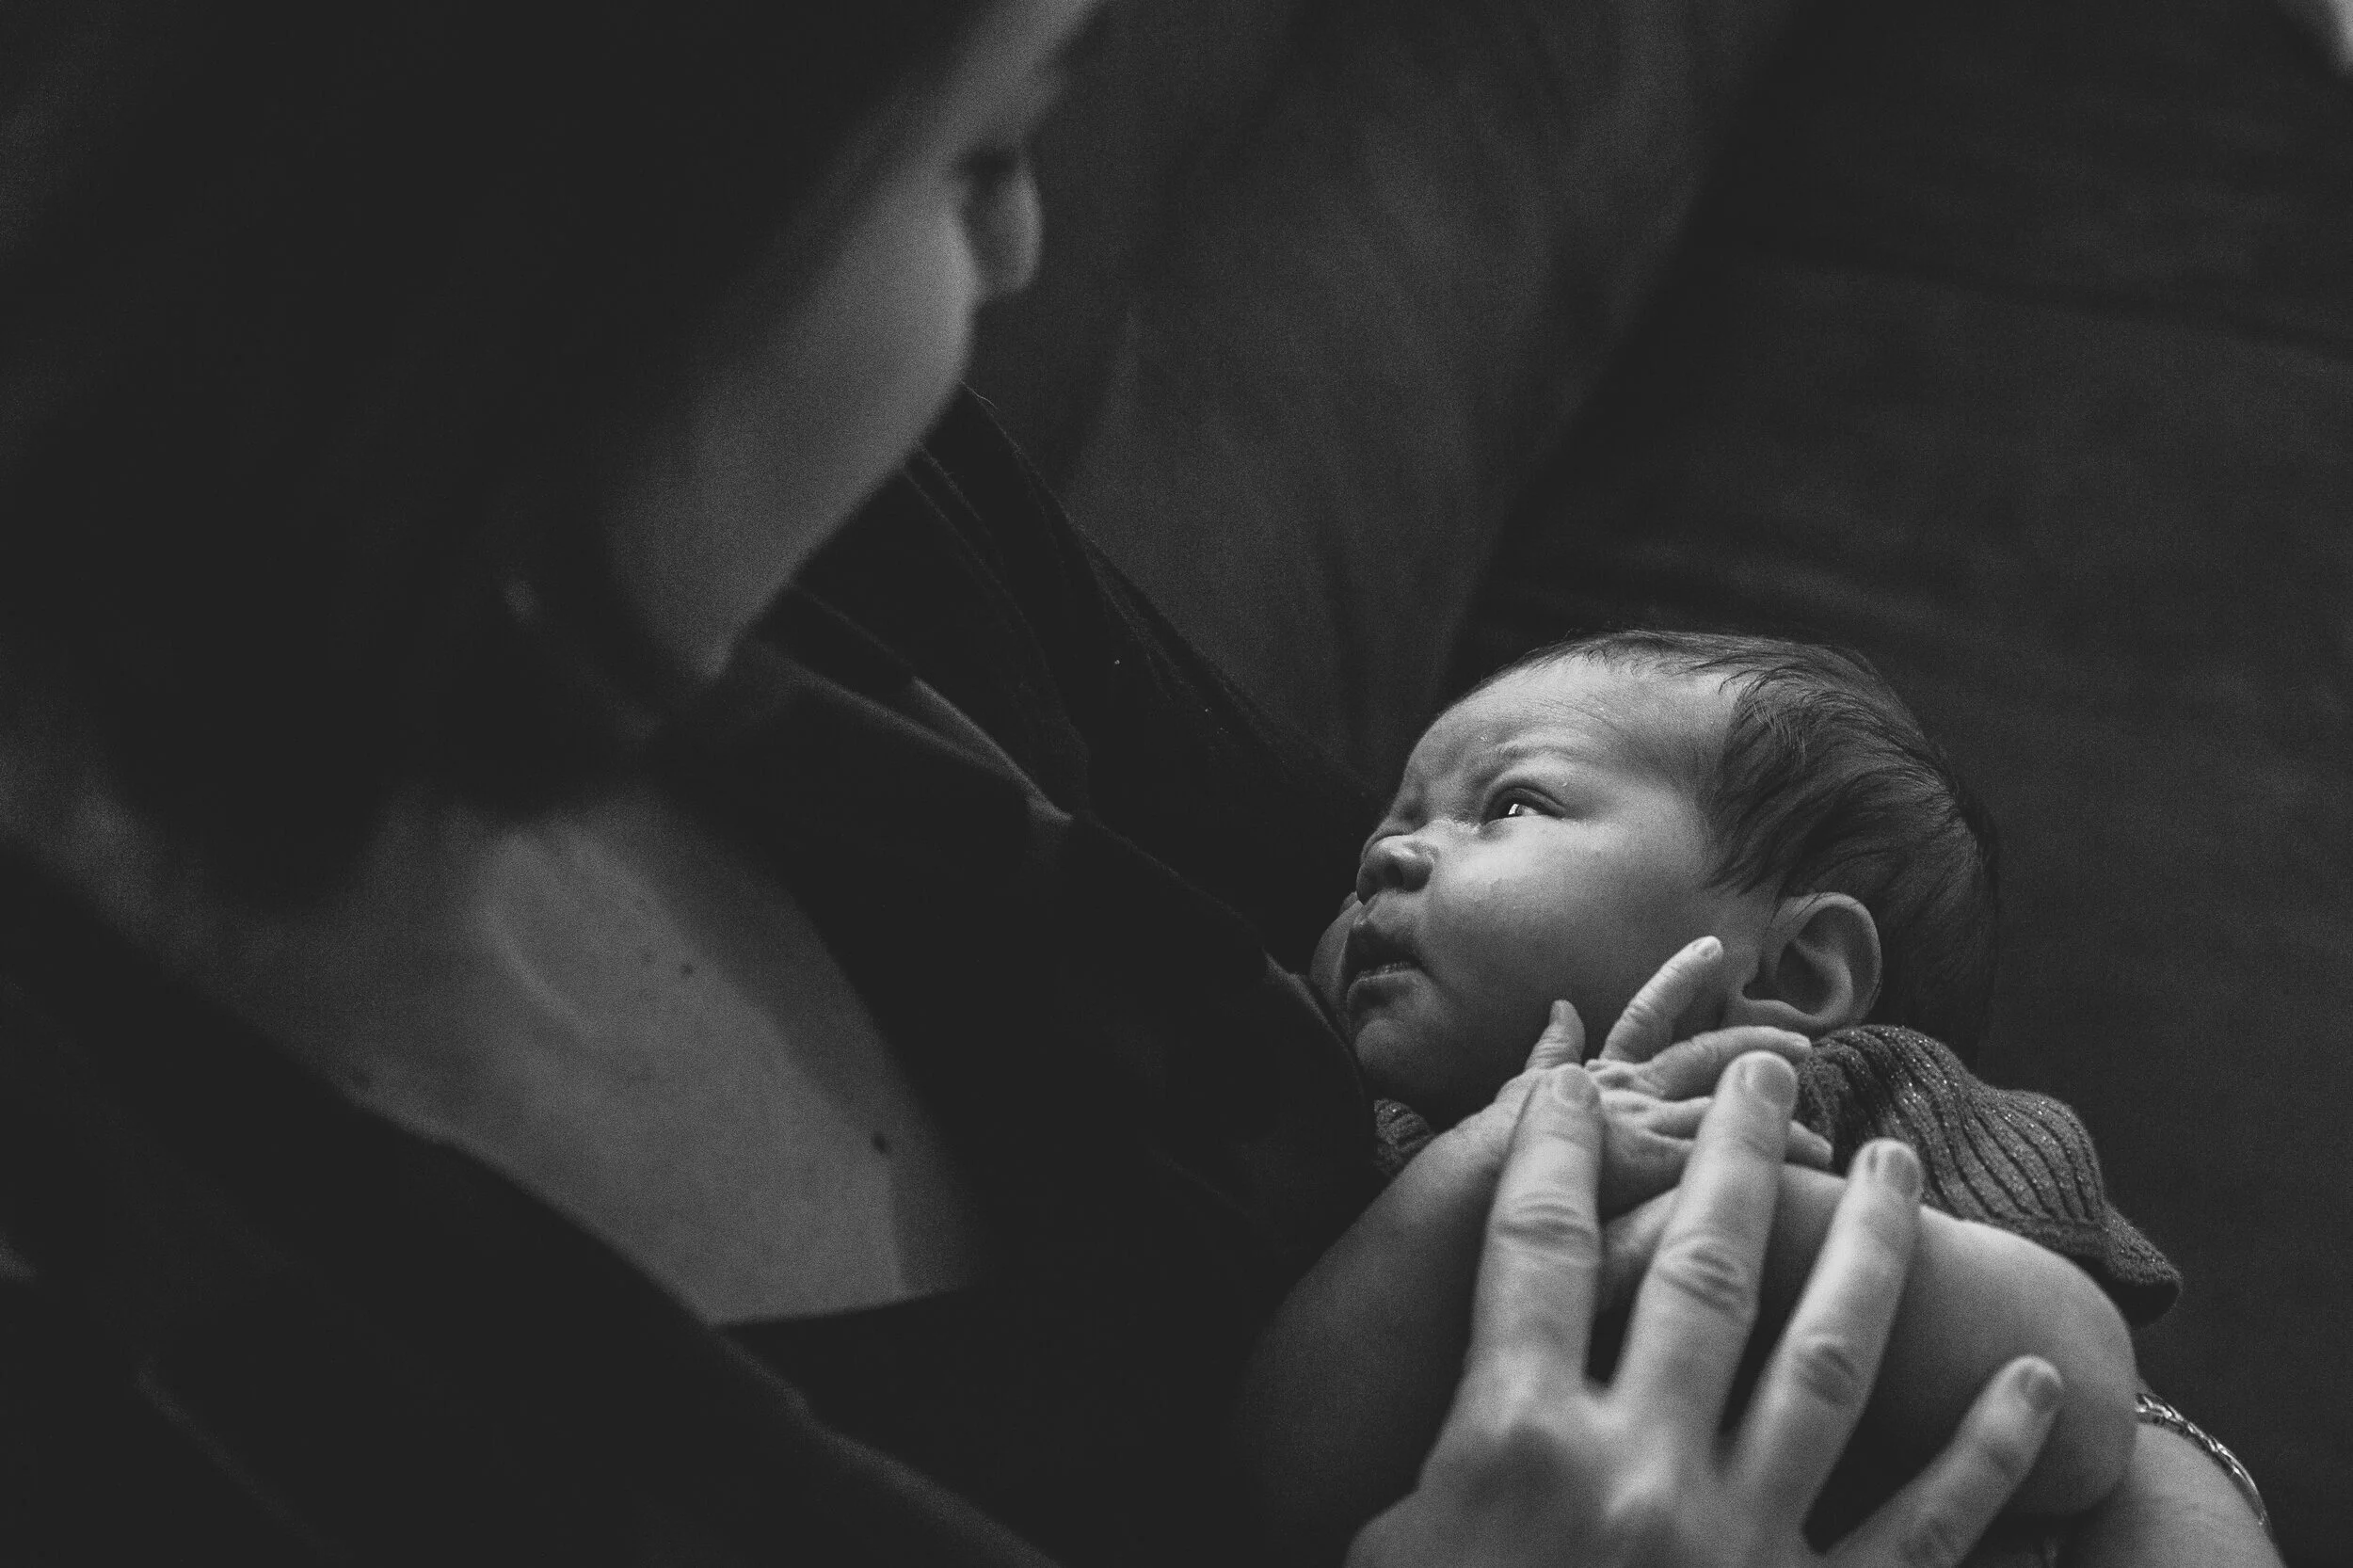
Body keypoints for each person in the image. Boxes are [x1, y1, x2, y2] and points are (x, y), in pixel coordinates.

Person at [0, 2, 2275, 1565]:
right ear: (608, 234)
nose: (1019, 256)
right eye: (980, 153)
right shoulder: (151, 1369)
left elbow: (2026, 1291)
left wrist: (2165, 1479)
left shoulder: (865, 557)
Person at [1241, 630, 2255, 1558]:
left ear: (1794, 975)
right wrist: (1476, 1167)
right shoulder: (1383, 1145)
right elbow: (1278, 1476)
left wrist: (1762, 1214)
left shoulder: (1882, 1106)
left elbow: (2079, 1403)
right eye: (1389, 828)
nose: (1381, 857)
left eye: (1510, 803)